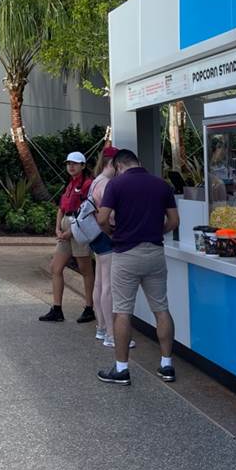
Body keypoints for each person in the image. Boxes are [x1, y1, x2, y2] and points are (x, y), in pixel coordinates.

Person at [95, 148, 179, 385]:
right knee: (161, 308)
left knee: (122, 311)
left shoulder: (117, 185)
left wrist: (112, 233)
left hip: (126, 254)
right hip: (155, 252)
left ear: (118, 166)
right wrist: (154, 232)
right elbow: (174, 221)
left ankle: (121, 369)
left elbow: (102, 218)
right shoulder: (161, 184)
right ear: (138, 162)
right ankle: (167, 365)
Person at [39, 152, 96, 323]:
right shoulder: (69, 184)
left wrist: (70, 231)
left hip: (78, 228)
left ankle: (89, 307)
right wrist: (57, 227)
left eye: (75, 163)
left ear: (83, 165)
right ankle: (57, 309)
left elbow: (87, 211)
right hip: (66, 226)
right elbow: (61, 208)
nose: (71, 166)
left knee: (85, 268)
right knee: (56, 267)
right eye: (69, 163)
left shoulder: (88, 184)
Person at [87, 146, 125, 346]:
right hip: (106, 234)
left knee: (99, 283)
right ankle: (112, 334)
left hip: (95, 237)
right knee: (108, 286)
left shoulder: (95, 182)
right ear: (114, 163)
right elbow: (109, 215)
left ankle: (101, 328)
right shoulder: (108, 184)